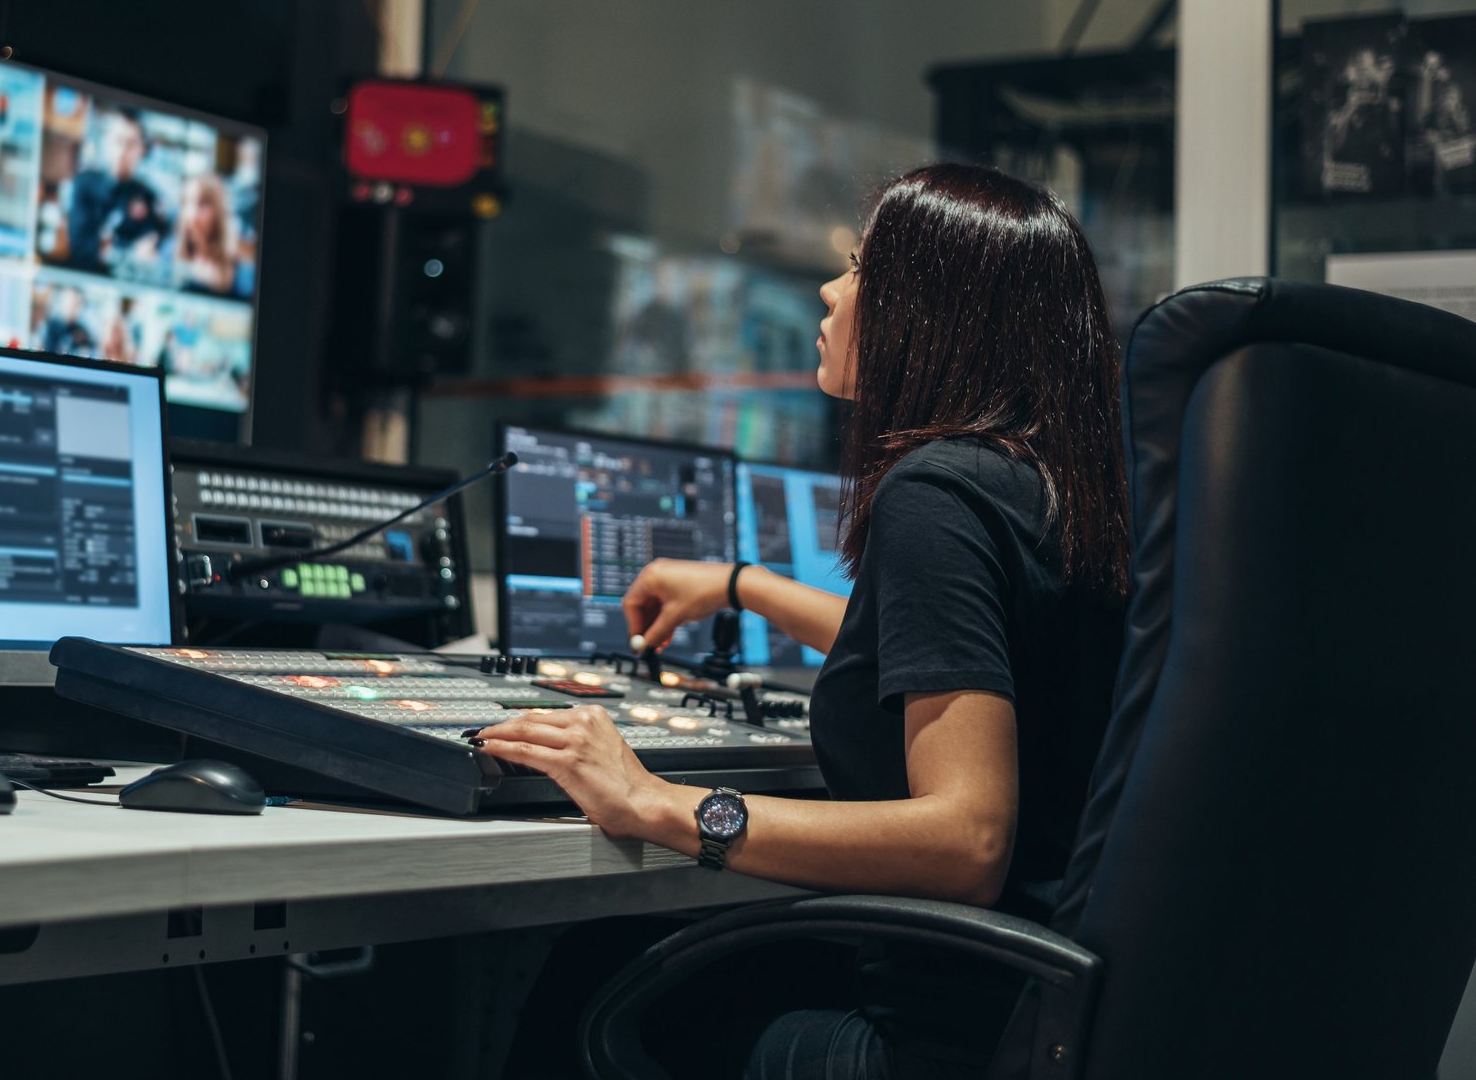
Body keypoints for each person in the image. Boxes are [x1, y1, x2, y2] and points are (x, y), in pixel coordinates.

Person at [480, 165, 1132, 1079]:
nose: (831, 288)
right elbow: (944, 651)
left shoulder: (933, 492)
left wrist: (658, 802)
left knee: (591, 968)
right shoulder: (1047, 487)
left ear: (928, 308)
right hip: (1043, 1017)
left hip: (935, 1045)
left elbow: (967, 840)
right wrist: (742, 584)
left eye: (863, 265)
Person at [61, 109, 167, 273]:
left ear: (141, 149)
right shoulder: (84, 184)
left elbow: (148, 251)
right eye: (118, 140)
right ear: (107, 141)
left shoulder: (148, 196)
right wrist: (129, 251)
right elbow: (82, 248)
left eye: (131, 143)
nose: (123, 150)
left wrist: (109, 249)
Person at [173, 173, 238, 295]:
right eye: (187, 202)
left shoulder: (238, 269)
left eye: (202, 204)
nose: (192, 214)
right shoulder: (168, 251)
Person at [38, 286, 95, 358]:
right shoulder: (51, 326)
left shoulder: (83, 332)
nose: (73, 308)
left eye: (77, 304)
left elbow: (89, 351)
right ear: (64, 302)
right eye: (71, 302)